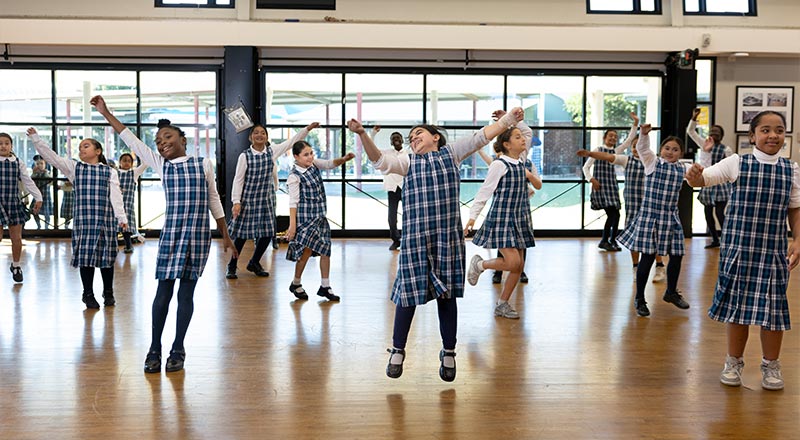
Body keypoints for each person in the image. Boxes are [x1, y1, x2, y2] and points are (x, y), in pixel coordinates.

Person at [348, 107, 524, 382]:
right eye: (410, 137)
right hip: (416, 239)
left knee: (447, 295)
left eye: (418, 133)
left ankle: (449, 351)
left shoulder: (451, 153)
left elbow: (482, 136)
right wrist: (361, 135)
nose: (413, 138)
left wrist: (509, 120)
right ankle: (397, 350)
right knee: (407, 294)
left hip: (447, 239)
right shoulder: (407, 162)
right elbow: (380, 161)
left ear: (436, 138)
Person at [91, 95, 237, 374]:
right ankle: (154, 347)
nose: (161, 143)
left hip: (197, 237)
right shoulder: (160, 164)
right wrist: (105, 112)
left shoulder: (203, 164)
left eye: (166, 137)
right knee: (163, 292)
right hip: (171, 236)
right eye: (158, 141)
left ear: (183, 139)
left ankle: (178, 348)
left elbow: (213, 199)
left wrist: (225, 233)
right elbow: (130, 139)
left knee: (186, 294)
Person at [685, 111, 800, 391]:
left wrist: (797, 239)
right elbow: (702, 181)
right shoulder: (737, 162)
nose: (773, 135)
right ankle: (733, 361)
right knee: (737, 309)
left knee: (772, 311)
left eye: (779, 130)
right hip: (738, 249)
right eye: (765, 130)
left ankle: (770, 364)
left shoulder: (791, 169)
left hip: (772, 251)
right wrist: (694, 176)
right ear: (753, 136)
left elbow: (795, 208)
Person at [27, 128, 127, 309]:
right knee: (86, 257)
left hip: (105, 221)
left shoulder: (109, 172)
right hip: (84, 222)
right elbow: (52, 157)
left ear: (98, 151)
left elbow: (116, 196)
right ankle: (88, 293)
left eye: (86, 146)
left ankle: (108, 292)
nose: (82, 149)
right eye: (80, 147)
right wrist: (36, 139)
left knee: (107, 258)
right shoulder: (75, 168)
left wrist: (122, 217)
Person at [464, 118, 540, 319]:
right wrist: (472, 217)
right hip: (502, 218)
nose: (523, 139)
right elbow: (484, 191)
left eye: (521, 136)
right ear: (507, 144)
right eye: (517, 137)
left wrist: (514, 118)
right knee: (514, 262)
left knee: (519, 265)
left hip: (520, 218)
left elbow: (528, 132)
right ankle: (480, 265)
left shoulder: (521, 161)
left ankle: (502, 304)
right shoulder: (499, 164)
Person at [576, 113, 666, 283]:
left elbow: (627, 141)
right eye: (633, 147)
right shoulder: (625, 159)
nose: (634, 148)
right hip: (630, 203)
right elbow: (606, 157)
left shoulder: (652, 161)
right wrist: (590, 154)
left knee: (652, 235)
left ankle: (660, 265)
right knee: (630, 233)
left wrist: (636, 124)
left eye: (637, 146)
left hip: (649, 205)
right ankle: (634, 265)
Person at [616, 124, 693, 317]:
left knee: (677, 254)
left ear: (680, 153)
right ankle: (640, 299)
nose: (670, 152)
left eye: (675, 150)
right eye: (667, 148)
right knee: (648, 257)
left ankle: (671, 292)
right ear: (661, 150)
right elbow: (642, 148)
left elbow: (703, 173)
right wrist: (643, 134)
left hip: (670, 217)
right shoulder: (652, 162)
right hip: (650, 217)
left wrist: (702, 170)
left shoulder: (683, 169)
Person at [226, 122, 319, 279]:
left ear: (266, 137)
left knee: (268, 233)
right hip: (248, 200)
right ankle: (232, 265)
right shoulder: (245, 156)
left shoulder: (272, 151)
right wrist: (236, 201)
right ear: (250, 137)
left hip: (266, 200)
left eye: (263, 133)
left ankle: (254, 262)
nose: (259, 135)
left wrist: (307, 129)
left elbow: (292, 142)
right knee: (242, 235)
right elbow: (238, 180)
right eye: (256, 133)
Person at [286, 140, 355, 302]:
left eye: (311, 153)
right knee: (306, 251)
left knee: (325, 250)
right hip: (305, 218)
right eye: (305, 155)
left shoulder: (314, 164)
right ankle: (296, 283)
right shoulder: (294, 176)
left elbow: (331, 164)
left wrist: (344, 159)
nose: (310, 157)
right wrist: (292, 226)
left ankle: (325, 286)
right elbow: (293, 202)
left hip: (320, 217)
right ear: (296, 157)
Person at [582, 124, 637, 251]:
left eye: (615, 137)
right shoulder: (598, 149)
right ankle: (605, 240)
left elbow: (629, 140)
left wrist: (635, 125)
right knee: (612, 215)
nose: (613, 138)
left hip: (611, 187)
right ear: (604, 138)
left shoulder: (616, 152)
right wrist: (591, 179)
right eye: (610, 136)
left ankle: (611, 240)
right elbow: (586, 167)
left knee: (616, 215)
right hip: (601, 187)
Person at [0, 132, 43, 283]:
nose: (3, 146)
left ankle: (16, 265)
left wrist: (38, 197)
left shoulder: (18, 162)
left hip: (13, 203)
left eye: (6, 143)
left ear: (11, 145)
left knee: (16, 238)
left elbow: (28, 181)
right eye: (0, 143)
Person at [687, 109, 732, 249]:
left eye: (717, 132)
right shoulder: (703, 144)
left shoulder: (726, 149)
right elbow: (691, 132)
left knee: (720, 213)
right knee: (707, 213)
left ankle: (727, 239)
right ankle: (715, 239)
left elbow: (729, 167)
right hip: (707, 182)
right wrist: (694, 119)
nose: (714, 134)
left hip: (721, 184)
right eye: (712, 131)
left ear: (722, 136)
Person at [371, 126, 406, 251]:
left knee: (409, 216)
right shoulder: (386, 153)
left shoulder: (408, 153)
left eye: (398, 138)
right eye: (393, 138)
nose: (396, 140)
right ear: (391, 142)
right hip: (392, 189)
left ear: (402, 140)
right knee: (392, 217)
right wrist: (373, 133)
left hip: (406, 188)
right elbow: (372, 149)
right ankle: (396, 240)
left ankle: (407, 240)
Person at [117, 153, 149, 254]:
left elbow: (145, 164)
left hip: (127, 205)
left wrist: (139, 152)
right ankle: (113, 246)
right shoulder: (114, 173)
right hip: (115, 205)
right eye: (124, 160)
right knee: (114, 228)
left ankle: (128, 245)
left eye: (129, 161)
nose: (126, 163)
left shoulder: (133, 173)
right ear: (120, 162)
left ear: (132, 164)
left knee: (127, 228)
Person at [30, 155, 52, 229]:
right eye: (37, 164)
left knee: (47, 213)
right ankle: (38, 225)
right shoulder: (35, 173)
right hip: (37, 196)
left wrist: (45, 173)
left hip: (46, 195)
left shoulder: (47, 173)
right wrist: (34, 173)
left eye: (41, 163)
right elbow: (30, 181)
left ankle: (47, 226)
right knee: (33, 210)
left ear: (45, 164)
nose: (39, 165)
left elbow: (50, 181)